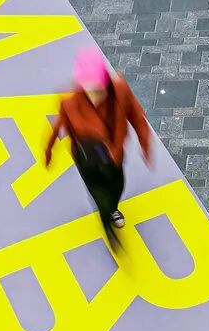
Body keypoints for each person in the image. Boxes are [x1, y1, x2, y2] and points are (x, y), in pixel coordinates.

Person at [44, 48, 153, 246]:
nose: (95, 93)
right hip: (87, 159)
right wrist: (49, 151)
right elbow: (59, 126)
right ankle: (108, 225)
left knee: (117, 185)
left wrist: (144, 144)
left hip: (114, 155)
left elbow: (137, 116)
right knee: (98, 193)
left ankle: (111, 208)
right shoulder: (70, 103)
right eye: (90, 88)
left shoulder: (120, 91)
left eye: (98, 87)